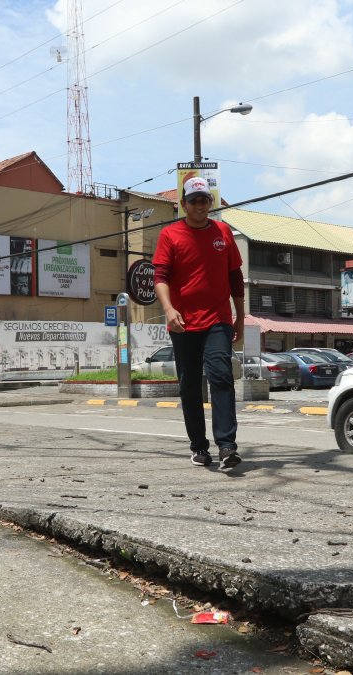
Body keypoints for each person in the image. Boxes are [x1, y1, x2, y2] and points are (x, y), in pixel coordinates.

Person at [153, 176, 245, 470]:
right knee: (190, 385)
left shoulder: (223, 232)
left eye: (204, 200)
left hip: (218, 318)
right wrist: (168, 309)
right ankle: (199, 446)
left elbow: (235, 278)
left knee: (221, 376)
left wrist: (240, 317)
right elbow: (160, 278)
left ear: (210, 202)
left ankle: (227, 446)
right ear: (184, 204)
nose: (199, 205)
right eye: (193, 201)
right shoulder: (170, 235)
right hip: (183, 323)